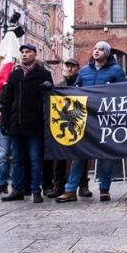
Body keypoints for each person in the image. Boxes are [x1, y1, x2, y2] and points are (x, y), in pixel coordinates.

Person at [56, 41, 126, 203]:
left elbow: (124, 92)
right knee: (79, 155)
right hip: (85, 119)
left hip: (106, 119)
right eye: (95, 49)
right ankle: (71, 190)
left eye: (101, 49)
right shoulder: (85, 70)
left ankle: (104, 189)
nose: (97, 51)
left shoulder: (116, 70)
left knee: (104, 156)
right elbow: (76, 90)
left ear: (107, 53)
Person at [0, 43, 54, 203]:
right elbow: (8, 99)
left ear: (34, 54)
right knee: (16, 159)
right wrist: (4, 120)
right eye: (22, 52)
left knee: (35, 158)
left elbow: (50, 99)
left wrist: (48, 88)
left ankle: (36, 190)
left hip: (34, 124)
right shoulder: (15, 74)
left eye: (28, 52)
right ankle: (17, 189)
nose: (24, 54)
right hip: (16, 123)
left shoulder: (43, 74)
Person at [44, 58, 81, 198]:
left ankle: (83, 186)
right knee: (59, 155)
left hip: (77, 122)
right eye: (68, 66)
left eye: (73, 66)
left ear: (77, 68)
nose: (69, 69)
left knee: (81, 154)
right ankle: (58, 186)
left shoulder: (81, 84)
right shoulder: (59, 86)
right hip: (62, 122)